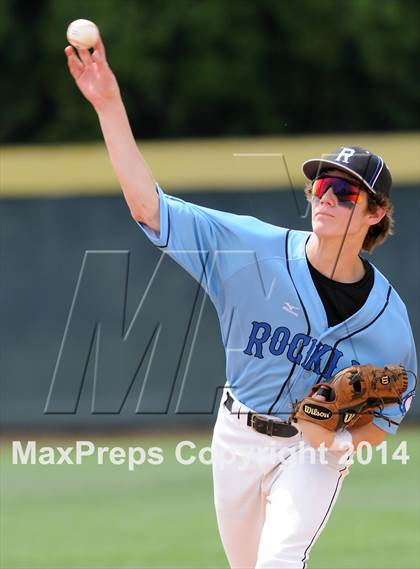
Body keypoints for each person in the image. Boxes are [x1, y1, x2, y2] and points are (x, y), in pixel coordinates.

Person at [65, 38, 417, 569]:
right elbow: (148, 206)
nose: (326, 198)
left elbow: (389, 413)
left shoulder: (388, 323)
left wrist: (339, 444)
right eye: (322, 185)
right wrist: (108, 104)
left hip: (310, 452)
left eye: (346, 194)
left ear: (375, 214)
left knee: (279, 561)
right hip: (236, 436)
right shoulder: (249, 249)